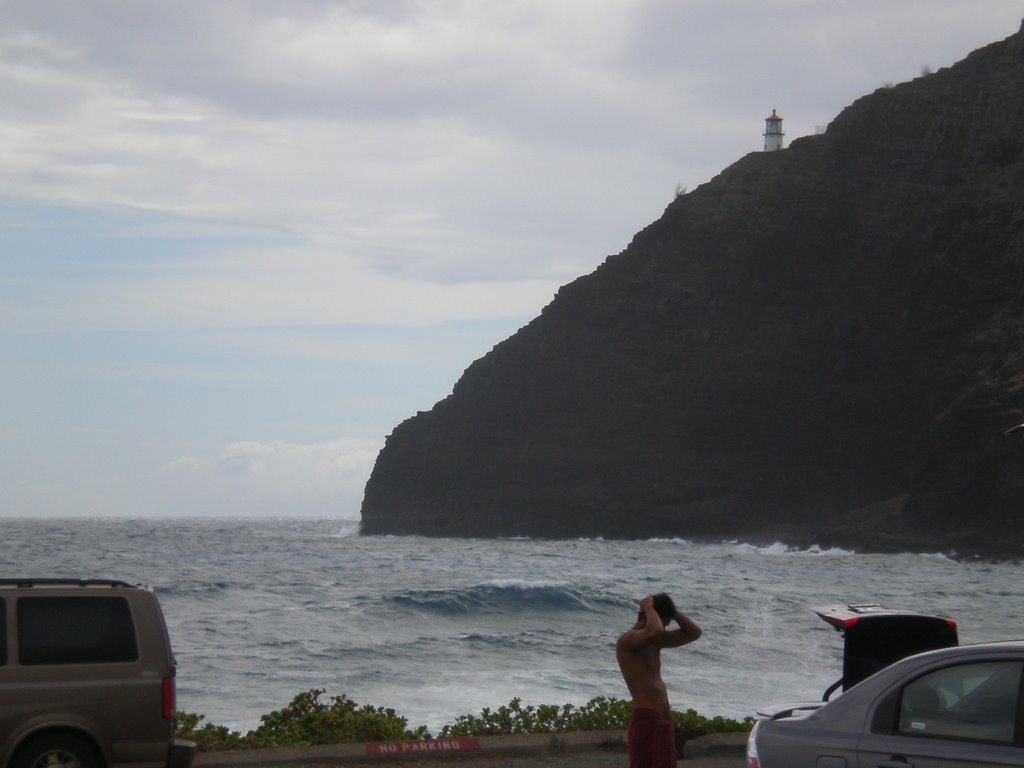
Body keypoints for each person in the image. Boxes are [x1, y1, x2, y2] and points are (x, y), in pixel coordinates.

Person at [616, 593, 702, 768]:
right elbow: (656, 630)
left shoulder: (656, 642)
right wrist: (648, 607)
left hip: (663, 723)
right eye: (665, 622)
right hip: (646, 722)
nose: (665, 627)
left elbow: (694, 633)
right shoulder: (627, 641)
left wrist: (672, 611)